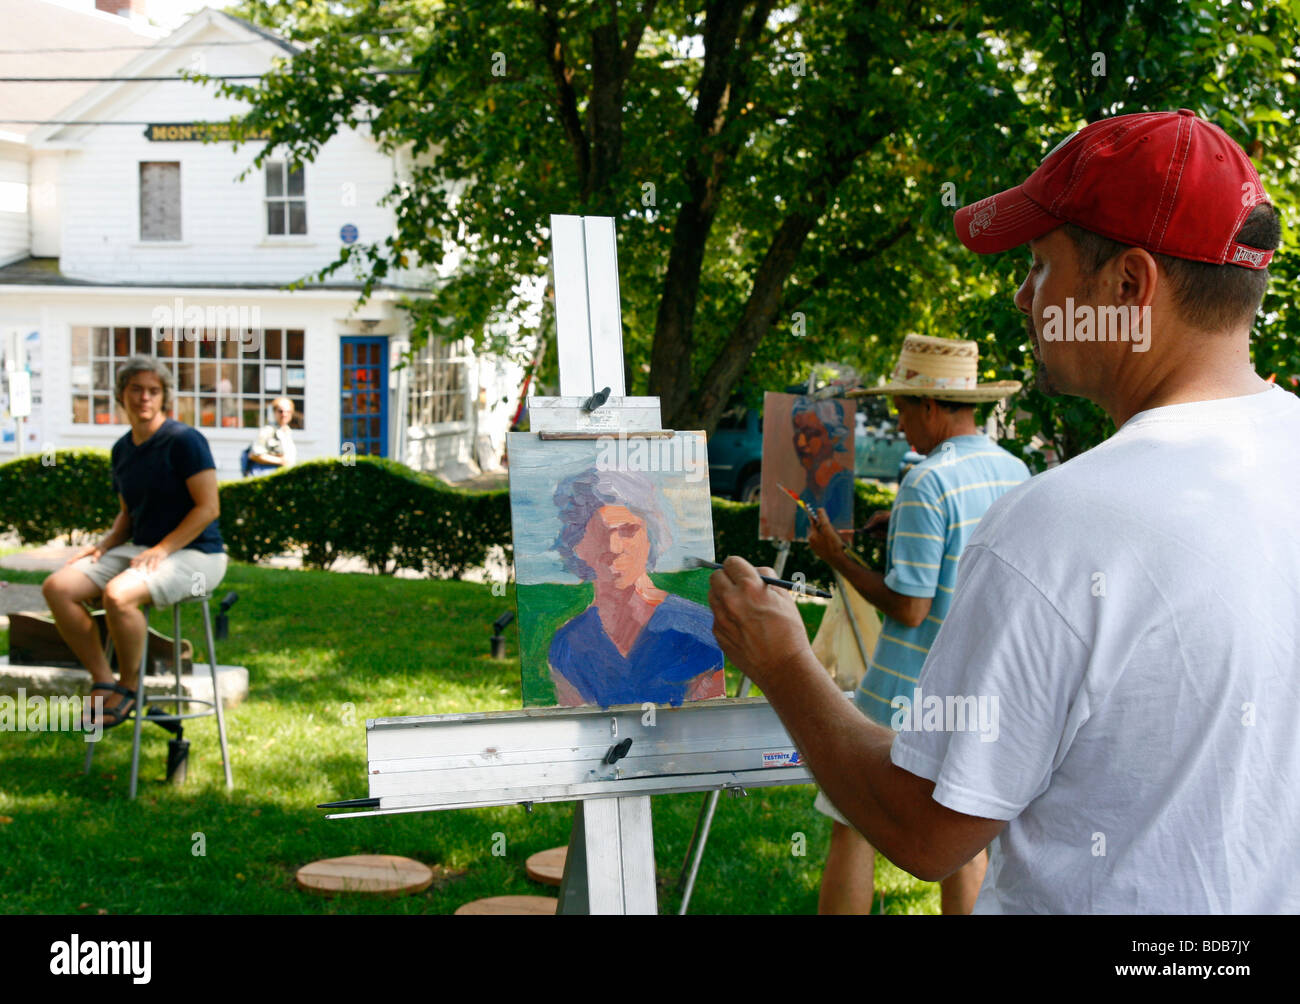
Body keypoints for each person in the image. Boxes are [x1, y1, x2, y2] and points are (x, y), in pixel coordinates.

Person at [708, 109, 1298, 913]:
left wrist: (781, 662)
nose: (1025, 297)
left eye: (1039, 265)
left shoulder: (1065, 522)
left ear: (1129, 285)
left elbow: (926, 832)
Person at [804, 335, 1029, 914]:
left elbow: (909, 608)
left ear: (930, 406)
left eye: (902, 408)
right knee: (962, 839)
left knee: (851, 822)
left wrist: (836, 557)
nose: (899, 424)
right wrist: (897, 523)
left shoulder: (926, 481)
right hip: (983, 686)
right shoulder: (1015, 470)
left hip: (909, 687)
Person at [42, 356, 228, 729]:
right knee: (57, 588)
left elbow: (208, 508)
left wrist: (162, 550)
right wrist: (105, 544)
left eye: (153, 391)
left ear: (164, 398)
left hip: (198, 553)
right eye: (136, 389)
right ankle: (102, 679)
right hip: (141, 548)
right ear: (121, 396)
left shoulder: (184, 440)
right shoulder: (122, 449)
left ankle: (129, 687)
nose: (144, 397)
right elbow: (129, 514)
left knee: (118, 594)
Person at [548, 469, 724, 707]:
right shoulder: (568, 643)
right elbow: (574, 732)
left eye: (628, 531)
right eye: (601, 532)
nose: (614, 546)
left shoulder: (699, 629)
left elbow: (712, 729)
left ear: (651, 537)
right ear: (578, 545)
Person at [790, 397, 855, 538]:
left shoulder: (842, 485)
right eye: (798, 433)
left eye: (811, 433)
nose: (801, 443)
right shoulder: (806, 495)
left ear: (835, 438)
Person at [242, 397, 297, 476]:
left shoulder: (287, 432)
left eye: (288, 411)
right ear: (274, 412)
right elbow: (254, 455)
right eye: (280, 411)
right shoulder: (267, 431)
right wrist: (280, 461)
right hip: (267, 477)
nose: (284, 414)